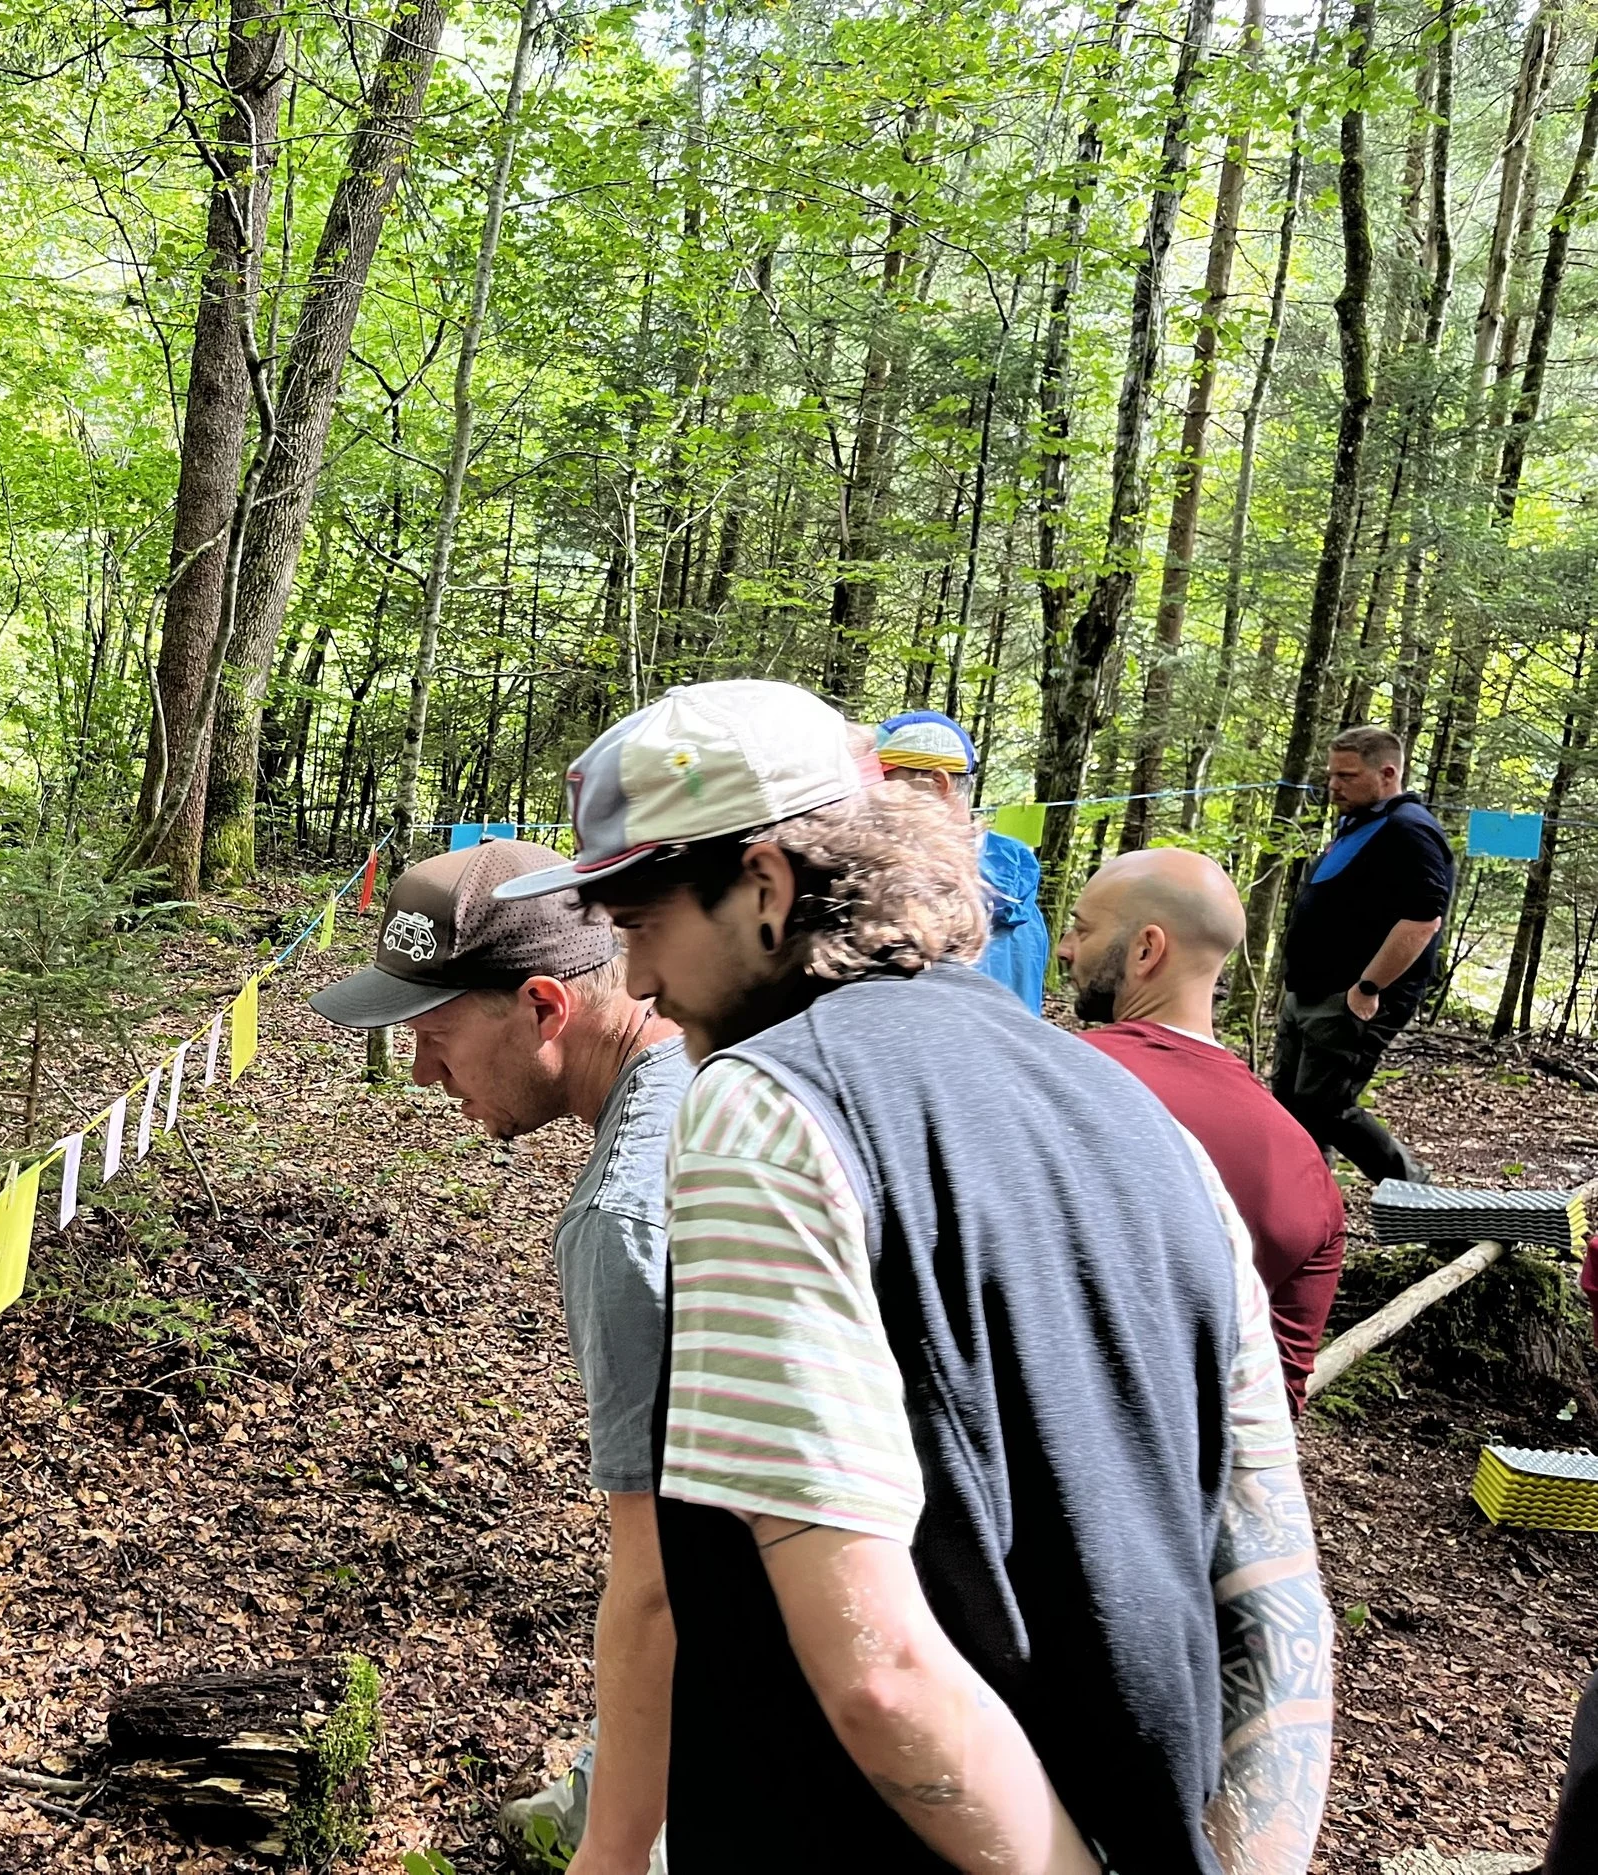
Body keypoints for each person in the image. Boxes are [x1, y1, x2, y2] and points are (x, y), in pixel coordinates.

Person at [498, 679, 1331, 1875]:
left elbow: (879, 1673)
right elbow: (1271, 1583)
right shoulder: (1133, 1111)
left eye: (643, 926)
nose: (634, 984)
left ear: (765, 887)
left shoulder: (757, 1110)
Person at [308, 837, 685, 1875]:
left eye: (434, 1036)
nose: (422, 1073)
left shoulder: (624, 1217)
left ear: (543, 1006)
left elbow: (666, 1581)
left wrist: (613, 1849)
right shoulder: (719, 1060)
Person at [1060, 848, 1347, 1411]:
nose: (1067, 947)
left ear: (1146, 950)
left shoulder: (1047, 1078)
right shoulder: (1305, 1169)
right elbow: (1275, 1399)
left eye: (1082, 929)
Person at [1273, 724, 1455, 1184]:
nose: (1333, 785)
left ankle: (1419, 1196)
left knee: (1326, 1107)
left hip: (1351, 998)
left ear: (1388, 773)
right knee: (1290, 1107)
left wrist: (1368, 987)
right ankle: (1303, 1201)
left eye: (1347, 776)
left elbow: (1423, 920)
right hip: (1310, 991)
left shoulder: (1409, 830)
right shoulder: (1359, 823)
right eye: (1331, 774)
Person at [874, 709, 1047, 1013]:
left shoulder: (922, 895)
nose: (869, 801)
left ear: (936, 785)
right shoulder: (1021, 893)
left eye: (882, 783)